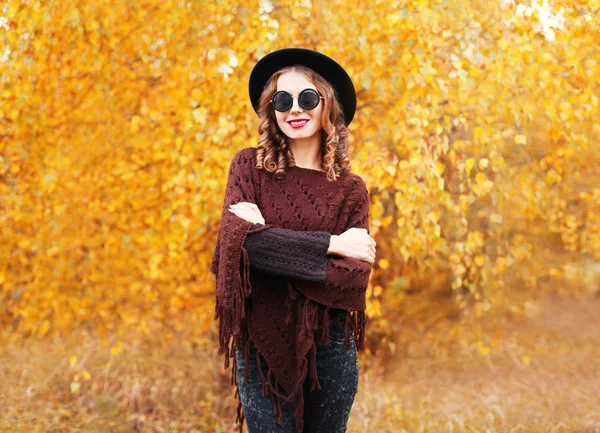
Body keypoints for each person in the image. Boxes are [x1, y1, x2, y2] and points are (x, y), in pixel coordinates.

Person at [210, 48, 377, 433]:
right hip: (261, 349)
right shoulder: (247, 168)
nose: (294, 109)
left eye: (307, 98)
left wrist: (266, 242)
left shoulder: (351, 190)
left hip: (330, 351)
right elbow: (234, 252)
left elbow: (350, 283)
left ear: (327, 105)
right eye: (281, 100)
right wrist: (332, 244)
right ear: (272, 110)